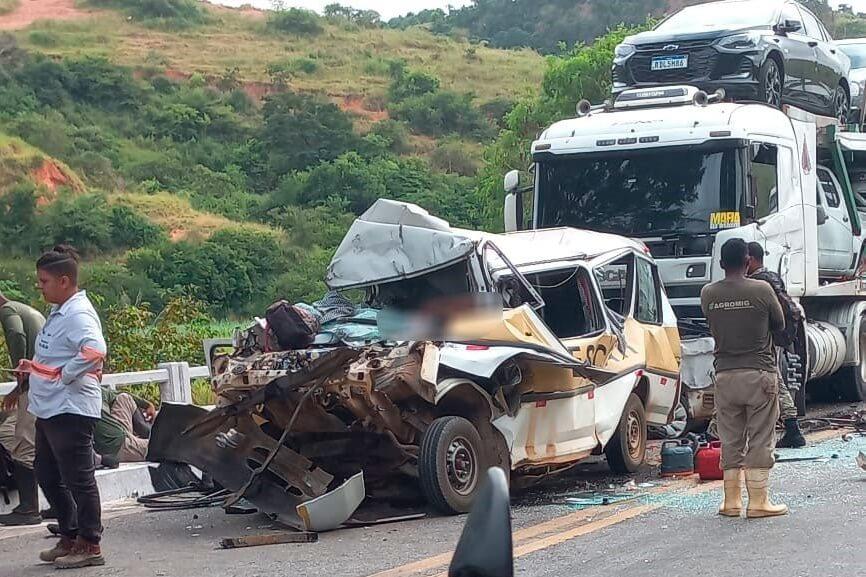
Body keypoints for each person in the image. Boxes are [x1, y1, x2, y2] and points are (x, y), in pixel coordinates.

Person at [20, 245, 107, 569]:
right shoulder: (61, 311)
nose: (39, 287)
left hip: (70, 408)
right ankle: (70, 534)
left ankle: (90, 543)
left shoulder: (78, 314)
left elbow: (95, 350)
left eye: (43, 281)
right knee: (46, 472)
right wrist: (37, 369)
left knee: (78, 478)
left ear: (64, 281)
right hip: (50, 407)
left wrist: (64, 376)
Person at [701, 238, 788, 519]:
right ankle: (759, 502)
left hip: (725, 376)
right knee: (761, 437)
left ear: (721, 263)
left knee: (730, 438)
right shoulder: (761, 289)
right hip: (759, 374)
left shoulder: (708, 293)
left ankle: (731, 502)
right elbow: (780, 323)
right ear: (748, 260)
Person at [746, 241, 806, 448]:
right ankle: (792, 429)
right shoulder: (773, 278)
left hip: (762, 341)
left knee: (773, 382)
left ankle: (791, 430)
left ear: (751, 259)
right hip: (772, 339)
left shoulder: (758, 283)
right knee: (774, 381)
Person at [0, 291, 45, 526]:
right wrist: (17, 390)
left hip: (34, 382)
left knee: (23, 442)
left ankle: (28, 508)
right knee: (46, 445)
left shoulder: (8, 311)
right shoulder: (25, 308)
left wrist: (20, 372)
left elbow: (17, 334)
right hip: (45, 382)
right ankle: (61, 507)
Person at [93, 387, 153, 468]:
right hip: (114, 445)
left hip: (120, 430)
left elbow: (117, 393)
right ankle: (147, 444)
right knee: (164, 447)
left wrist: (147, 405)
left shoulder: (96, 389)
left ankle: (150, 434)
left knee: (124, 398)